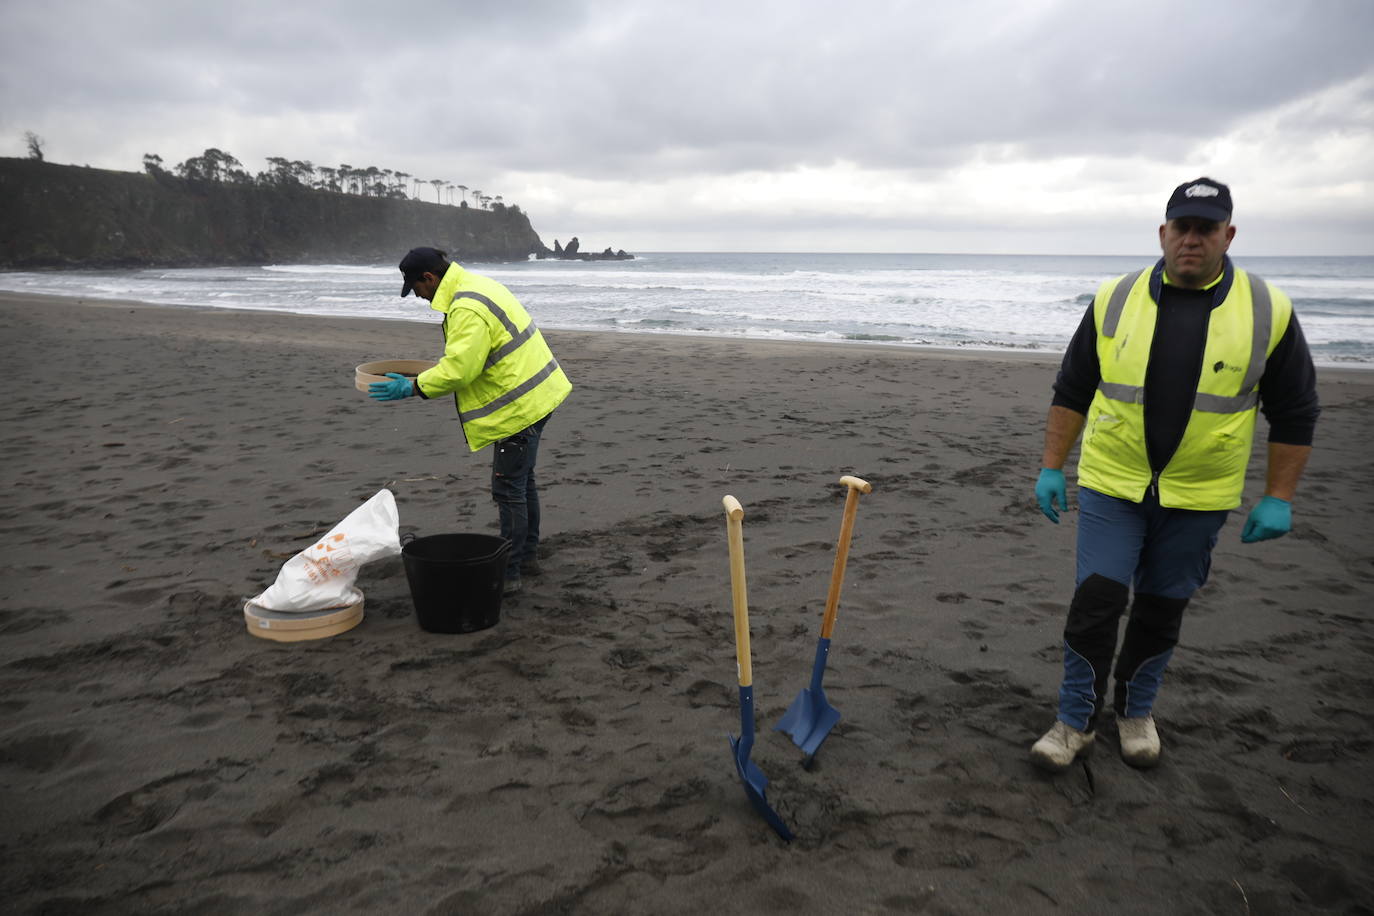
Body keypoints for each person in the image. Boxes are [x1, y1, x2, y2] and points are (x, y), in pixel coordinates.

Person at [1030, 178, 1320, 771]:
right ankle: (1075, 722)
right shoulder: (1115, 298)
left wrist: (1278, 497)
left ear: (1227, 235)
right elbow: (1073, 388)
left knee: (1162, 608)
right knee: (1096, 602)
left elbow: (1295, 410)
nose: (1192, 239)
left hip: (1200, 495)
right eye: (1181, 227)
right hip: (1113, 483)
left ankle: (1135, 713)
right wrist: (1052, 467)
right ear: (1163, 234)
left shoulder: (1268, 310)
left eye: (1206, 229)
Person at [369, 247, 572, 596]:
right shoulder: (478, 285)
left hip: (519, 407)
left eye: (416, 288)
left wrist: (414, 386)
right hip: (539, 393)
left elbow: (460, 370)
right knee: (522, 483)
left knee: (508, 488)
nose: (418, 295)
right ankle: (526, 558)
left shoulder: (465, 307)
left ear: (429, 278)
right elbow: (470, 357)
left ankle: (509, 575)